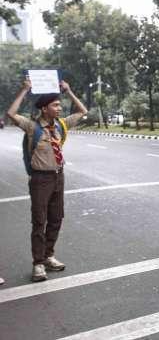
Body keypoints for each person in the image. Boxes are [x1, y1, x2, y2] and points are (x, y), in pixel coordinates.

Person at [6, 79, 88, 282]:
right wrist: (24, 89)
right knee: (39, 221)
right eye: (55, 105)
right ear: (44, 108)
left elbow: (82, 111)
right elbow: (11, 114)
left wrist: (68, 91)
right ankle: (38, 264)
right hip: (40, 179)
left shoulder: (60, 125)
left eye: (60, 104)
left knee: (56, 218)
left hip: (59, 176)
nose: (59, 108)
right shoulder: (33, 127)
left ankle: (49, 255)